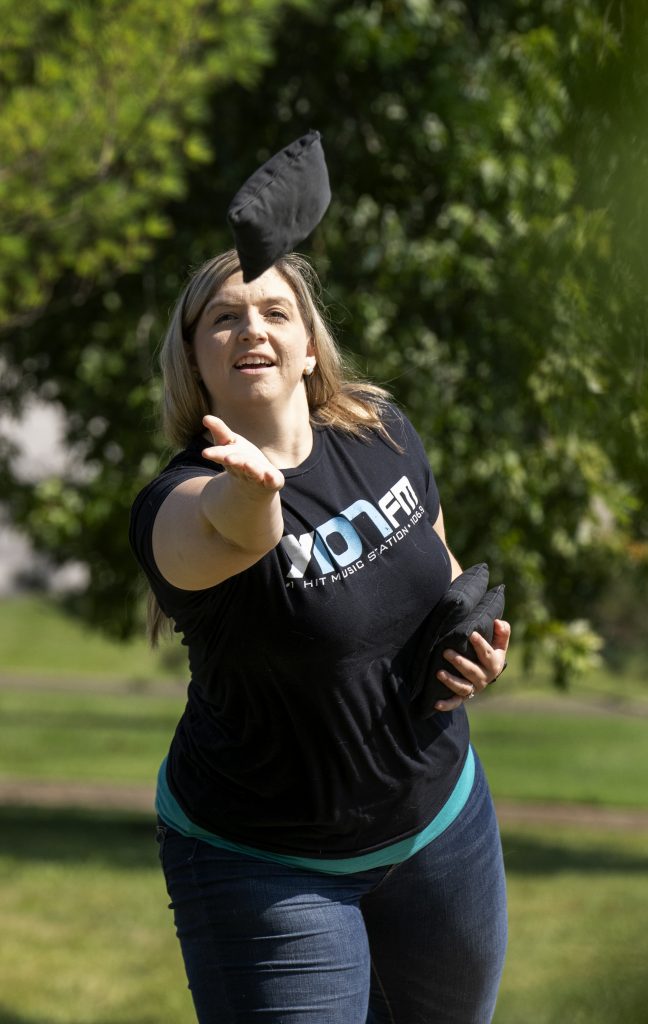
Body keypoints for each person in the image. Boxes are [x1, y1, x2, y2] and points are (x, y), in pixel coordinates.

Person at [129, 247, 511, 1024]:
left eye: (275, 312)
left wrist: (473, 652)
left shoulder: (382, 431)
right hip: (266, 864)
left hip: (442, 826)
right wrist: (254, 487)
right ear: (195, 359)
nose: (251, 329)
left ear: (310, 347)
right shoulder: (179, 501)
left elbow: (434, 576)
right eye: (223, 318)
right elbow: (239, 529)